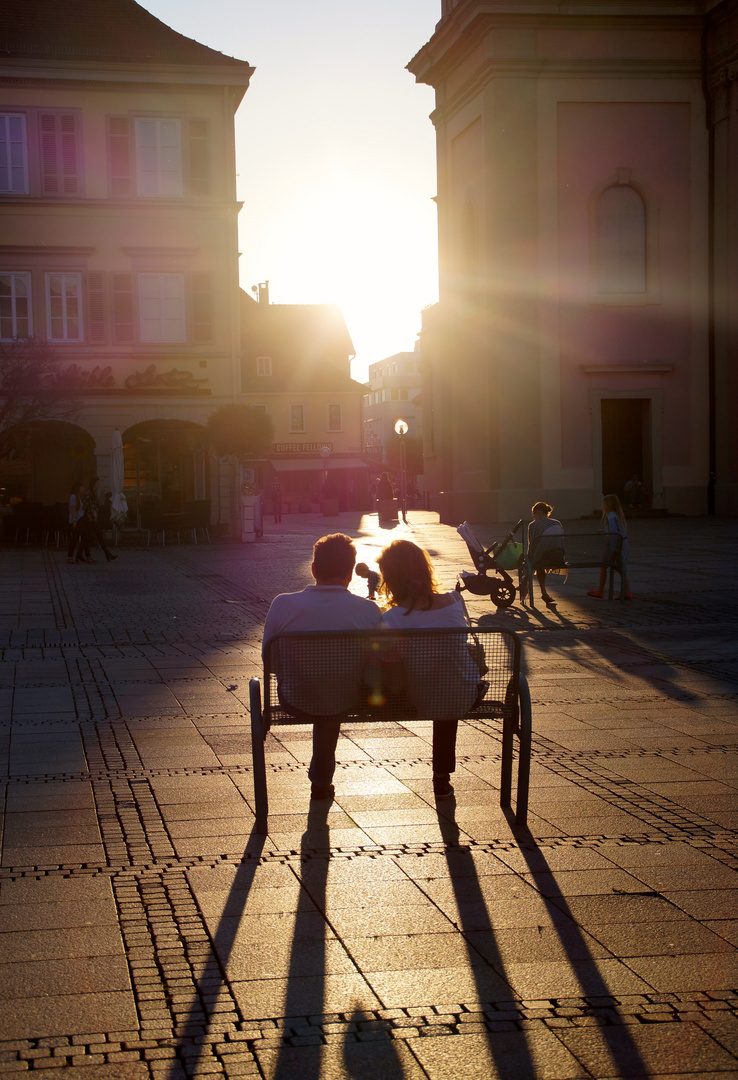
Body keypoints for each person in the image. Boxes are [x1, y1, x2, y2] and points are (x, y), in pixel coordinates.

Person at [262, 533, 381, 801]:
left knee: (323, 691)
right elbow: (376, 666)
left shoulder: (283, 604)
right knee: (333, 696)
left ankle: (321, 780)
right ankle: (321, 780)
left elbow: (270, 663)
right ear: (351, 573)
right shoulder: (368, 610)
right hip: (349, 698)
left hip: (295, 697)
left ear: (314, 569)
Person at [377, 539, 480, 801]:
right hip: (465, 694)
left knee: (423, 681)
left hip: (418, 697)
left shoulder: (393, 618)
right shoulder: (455, 601)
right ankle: (442, 777)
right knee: (447, 686)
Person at [588, 493, 632, 599]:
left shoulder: (610, 516)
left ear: (609, 504)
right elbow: (617, 530)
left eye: (604, 503)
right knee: (621, 568)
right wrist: (604, 530)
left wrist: (613, 549)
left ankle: (600, 590)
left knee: (603, 566)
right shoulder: (617, 514)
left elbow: (613, 534)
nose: (602, 505)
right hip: (623, 543)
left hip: (616, 544)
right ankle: (627, 591)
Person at [526, 501, 566, 607]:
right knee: (541, 555)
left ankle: (527, 586)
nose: (533, 516)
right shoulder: (557, 523)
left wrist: (528, 561)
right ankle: (543, 593)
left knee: (535, 560)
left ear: (538, 512)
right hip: (559, 558)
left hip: (544, 559)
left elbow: (532, 546)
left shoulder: (534, 525)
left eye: (533, 514)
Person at [81, 477, 118, 563]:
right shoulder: (88, 492)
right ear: (94, 483)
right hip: (90, 519)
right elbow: (86, 505)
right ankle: (107, 554)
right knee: (94, 537)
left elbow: (98, 504)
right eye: (97, 482)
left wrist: (101, 495)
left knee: (88, 537)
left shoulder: (94, 492)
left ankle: (106, 554)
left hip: (94, 518)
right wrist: (91, 515)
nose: (99, 484)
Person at [66, 482, 84, 564]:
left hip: (79, 520)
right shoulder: (73, 497)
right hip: (76, 520)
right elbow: (73, 509)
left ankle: (76, 555)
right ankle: (70, 556)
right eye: (81, 487)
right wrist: (74, 520)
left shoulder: (78, 497)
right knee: (74, 538)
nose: (83, 488)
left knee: (77, 537)